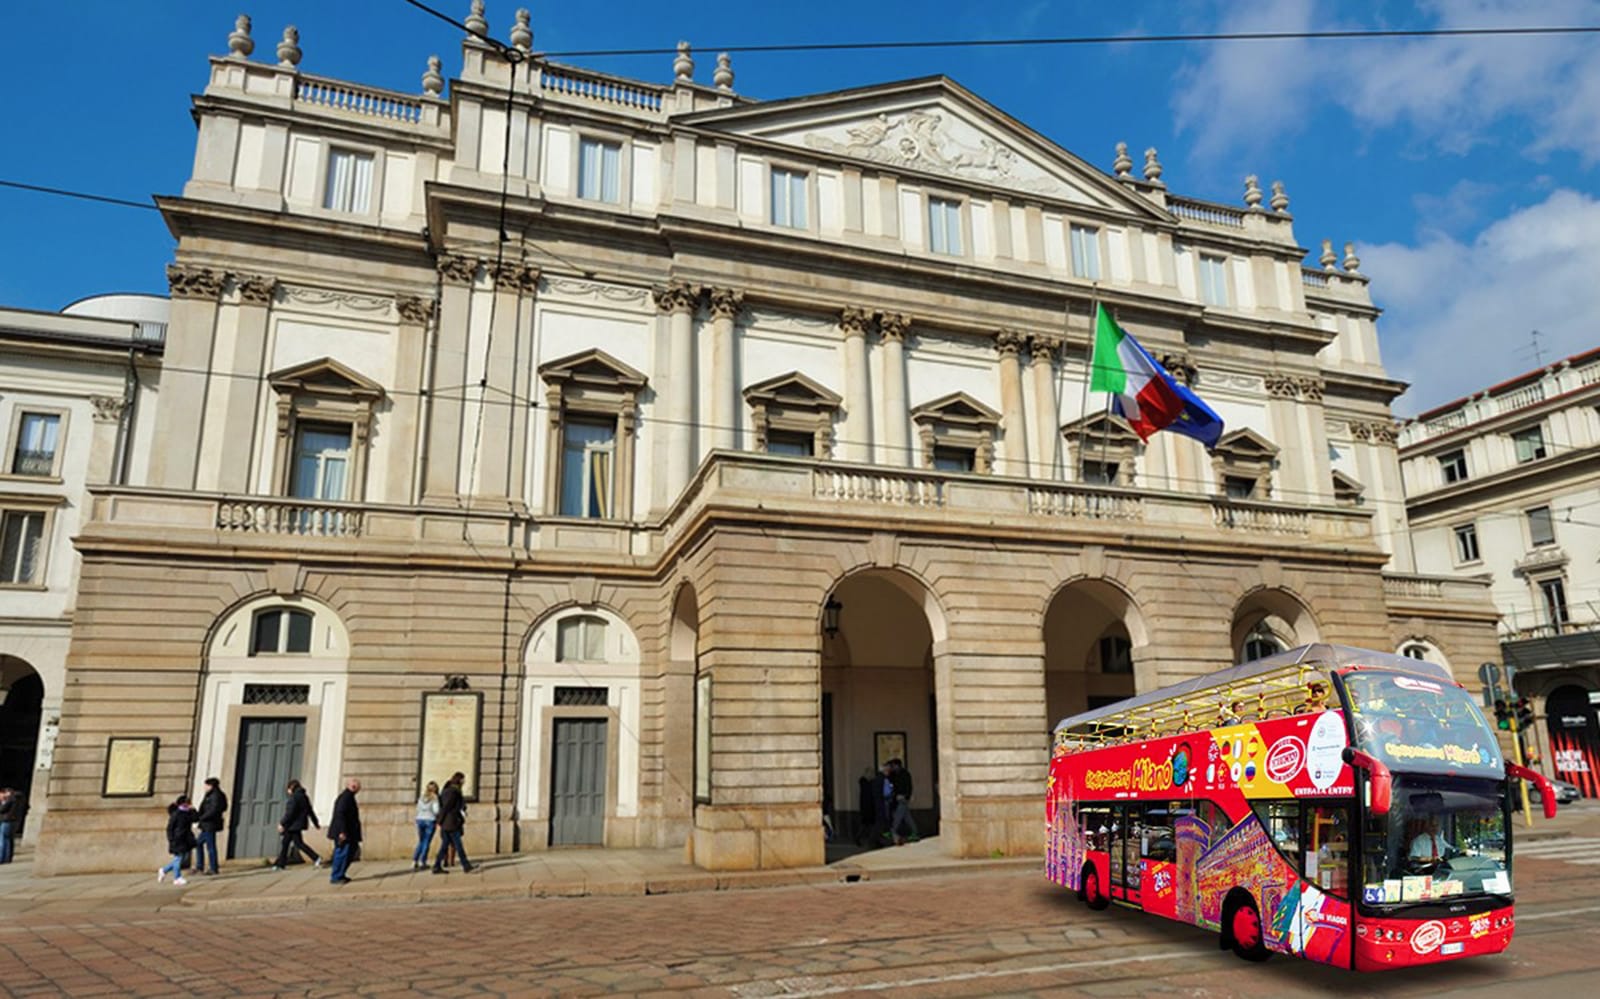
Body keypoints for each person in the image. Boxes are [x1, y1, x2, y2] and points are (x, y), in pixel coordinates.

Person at [273, 779, 322, 870]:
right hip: (297, 825)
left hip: (292, 825)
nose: (288, 792)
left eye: (288, 789)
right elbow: (310, 811)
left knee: (296, 844)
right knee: (287, 843)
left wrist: (282, 823)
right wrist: (316, 823)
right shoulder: (304, 797)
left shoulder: (294, 798)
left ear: (291, 788)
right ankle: (280, 864)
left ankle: (316, 857)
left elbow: (290, 813)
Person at [432, 771, 473, 874]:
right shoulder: (453, 792)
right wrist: (440, 820)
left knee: (445, 845)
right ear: (459, 780)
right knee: (458, 845)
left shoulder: (446, 790)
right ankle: (466, 865)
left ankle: (437, 865)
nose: (464, 782)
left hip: (447, 823)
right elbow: (446, 807)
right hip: (451, 822)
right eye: (463, 779)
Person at [326, 778, 362, 885]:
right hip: (343, 832)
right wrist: (342, 832)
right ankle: (336, 876)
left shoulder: (349, 797)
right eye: (357, 786)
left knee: (349, 852)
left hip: (348, 831)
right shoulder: (345, 798)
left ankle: (340, 874)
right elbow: (340, 815)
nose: (358, 788)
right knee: (342, 853)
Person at [159, 795, 197, 886]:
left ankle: (164, 870)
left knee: (180, 858)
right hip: (177, 839)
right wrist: (171, 839)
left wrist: (193, 809)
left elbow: (196, 818)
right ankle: (177, 878)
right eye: (187, 803)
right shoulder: (176, 814)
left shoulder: (188, 813)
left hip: (185, 839)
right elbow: (170, 828)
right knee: (178, 858)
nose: (189, 804)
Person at [193, 777, 228, 876]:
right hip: (206, 824)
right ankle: (200, 866)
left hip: (210, 824)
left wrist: (202, 817)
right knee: (198, 844)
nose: (205, 787)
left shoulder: (216, 796)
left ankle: (213, 868)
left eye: (206, 785)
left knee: (210, 846)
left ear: (211, 786)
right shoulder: (210, 795)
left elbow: (214, 810)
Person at [888, 758, 919, 845]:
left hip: (902, 798)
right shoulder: (894, 774)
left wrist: (906, 796)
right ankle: (915, 833)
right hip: (898, 798)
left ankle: (893, 831)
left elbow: (908, 786)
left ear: (897, 765)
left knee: (898, 816)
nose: (892, 767)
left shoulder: (904, 774)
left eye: (893, 766)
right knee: (907, 817)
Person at [413, 781, 440, 870]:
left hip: (420, 819)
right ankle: (422, 861)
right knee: (426, 841)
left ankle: (414, 860)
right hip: (430, 820)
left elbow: (417, 808)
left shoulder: (421, 797)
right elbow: (436, 811)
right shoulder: (434, 798)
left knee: (421, 841)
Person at [0, 787, 15, 864]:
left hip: (6, 821)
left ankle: (2, 858)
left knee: (3, 841)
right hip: (10, 821)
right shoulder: (14, 800)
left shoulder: (9, 800)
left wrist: (3, 801)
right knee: (8, 841)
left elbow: (2, 809)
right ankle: (7, 858)